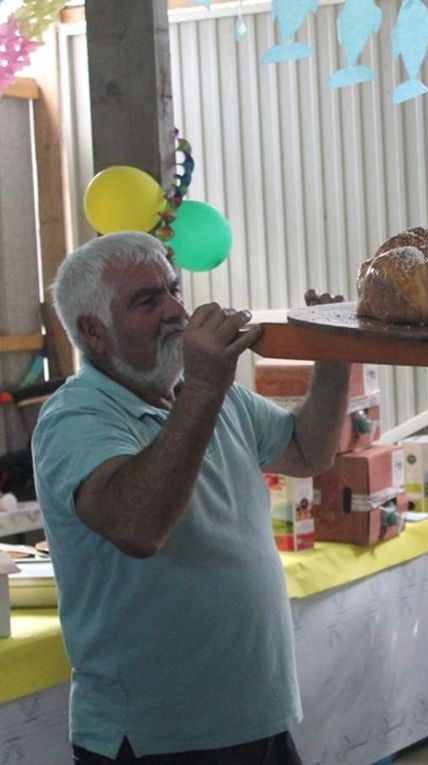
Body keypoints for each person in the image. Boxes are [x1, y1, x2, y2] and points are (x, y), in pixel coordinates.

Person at [32, 232, 351, 763]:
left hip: (253, 715)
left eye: (173, 290)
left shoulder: (207, 394)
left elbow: (308, 450)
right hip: (160, 738)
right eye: (146, 300)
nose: (177, 311)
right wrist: (204, 387)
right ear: (94, 331)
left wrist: (334, 357)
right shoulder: (76, 417)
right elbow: (139, 527)